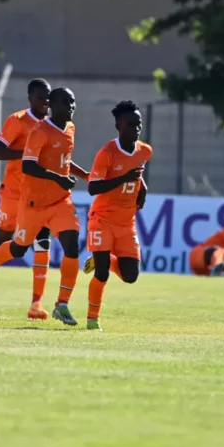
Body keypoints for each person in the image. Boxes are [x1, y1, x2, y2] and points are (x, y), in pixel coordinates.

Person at [0, 87, 89, 326]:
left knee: (71, 245)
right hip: (34, 204)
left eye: (74, 102)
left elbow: (64, 161)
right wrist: (57, 177)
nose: (72, 107)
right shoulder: (39, 131)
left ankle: (62, 304)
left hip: (60, 201)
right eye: (67, 103)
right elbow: (28, 166)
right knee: (18, 249)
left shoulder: (71, 128)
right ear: (52, 106)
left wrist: (85, 175)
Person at [0, 79, 53, 309]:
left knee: (42, 241)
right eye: (40, 97)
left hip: (40, 195)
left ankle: (36, 304)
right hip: (14, 192)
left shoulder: (53, 125)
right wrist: (26, 153)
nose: (46, 102)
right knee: (4, 239)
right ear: (30, 99)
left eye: (48, 97)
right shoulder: (17, 121)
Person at [81, 100, 151, 331]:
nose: (136, 128)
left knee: (131, 276)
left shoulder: (145, 150)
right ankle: (92, 320)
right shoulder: (107, 153)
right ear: (118, 126)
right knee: (101, 273)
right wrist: (123, 178)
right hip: (102, 218)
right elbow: (93, 187)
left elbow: (137, 173)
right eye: (131, 124)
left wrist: (143, 187)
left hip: (126, 222)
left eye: (138, 124)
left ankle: (104, 258)